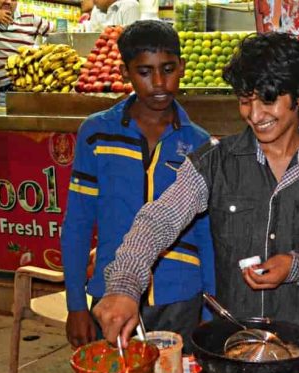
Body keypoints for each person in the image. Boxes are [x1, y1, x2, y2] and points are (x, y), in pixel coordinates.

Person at [93, 32, 299, 362]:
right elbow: (158, 219)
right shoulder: (214, 162)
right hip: (236, 348)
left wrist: (298, 266)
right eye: (245, 100)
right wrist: (124, 286)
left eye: (268, 100)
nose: (254, 114)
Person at [61, 20, 215, 353]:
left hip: (181, 297)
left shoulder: (199, 143)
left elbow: (206, 234)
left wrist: (208, 308)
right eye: (145, 71)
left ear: (182, 67)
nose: (159, 83)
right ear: (125, 71)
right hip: (112, 295)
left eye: (168, 69)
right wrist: (75, 303)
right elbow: (77, 223)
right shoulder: (97, 134)